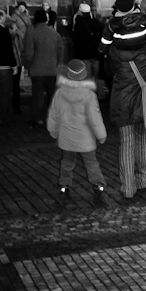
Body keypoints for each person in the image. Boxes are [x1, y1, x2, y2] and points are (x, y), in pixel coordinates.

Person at [99, 0, 146, 200]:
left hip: (122, 98)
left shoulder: (113, 50)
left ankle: (128, 187)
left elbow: (107, 70)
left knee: (126, 142)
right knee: (143, 138)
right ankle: (143, 178)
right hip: (143, 98)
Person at [47, 59, 107, 202]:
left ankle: (64, 184)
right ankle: (97, 184)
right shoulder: (89, 95)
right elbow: (95, 118)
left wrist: (53, 130)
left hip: (67, 137)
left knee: (67, 162)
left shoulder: (60, 93)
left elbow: (54, 114)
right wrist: (101, 135)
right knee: (91, 162)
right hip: (85, 139)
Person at [22, 9, 64, 127]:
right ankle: (54, 118)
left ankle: (37, 118)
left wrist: (27, 65)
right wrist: (57, 63)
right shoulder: (54, 33)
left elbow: (29, 53)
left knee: (38, 96)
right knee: (52, 95)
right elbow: (60, 49)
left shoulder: (32, 33)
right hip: (51, 69)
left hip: (37, 70)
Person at [72, 3, 105, 97]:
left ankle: (89, 95)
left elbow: (76, 39)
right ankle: (100, 94)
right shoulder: (97, 23)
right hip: (96, 53)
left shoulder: (79, 24)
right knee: (98, 76)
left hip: (84, 54)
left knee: (87, 76)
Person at [0, 10, 17, 126]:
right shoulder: (4, 32)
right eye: (3, 18)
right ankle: (3, 117)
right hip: (4, 67)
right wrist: (14, 65)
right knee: (5, 93)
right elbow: (9, 51)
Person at [10, 1, 32, 114]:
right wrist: (21, 34)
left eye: (24, 6)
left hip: (25, 41)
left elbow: (30, 27)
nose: (22, 8)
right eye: (21, 6)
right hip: (19, 41)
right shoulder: (14, 16)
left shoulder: (27, 16)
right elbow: (13, 29)